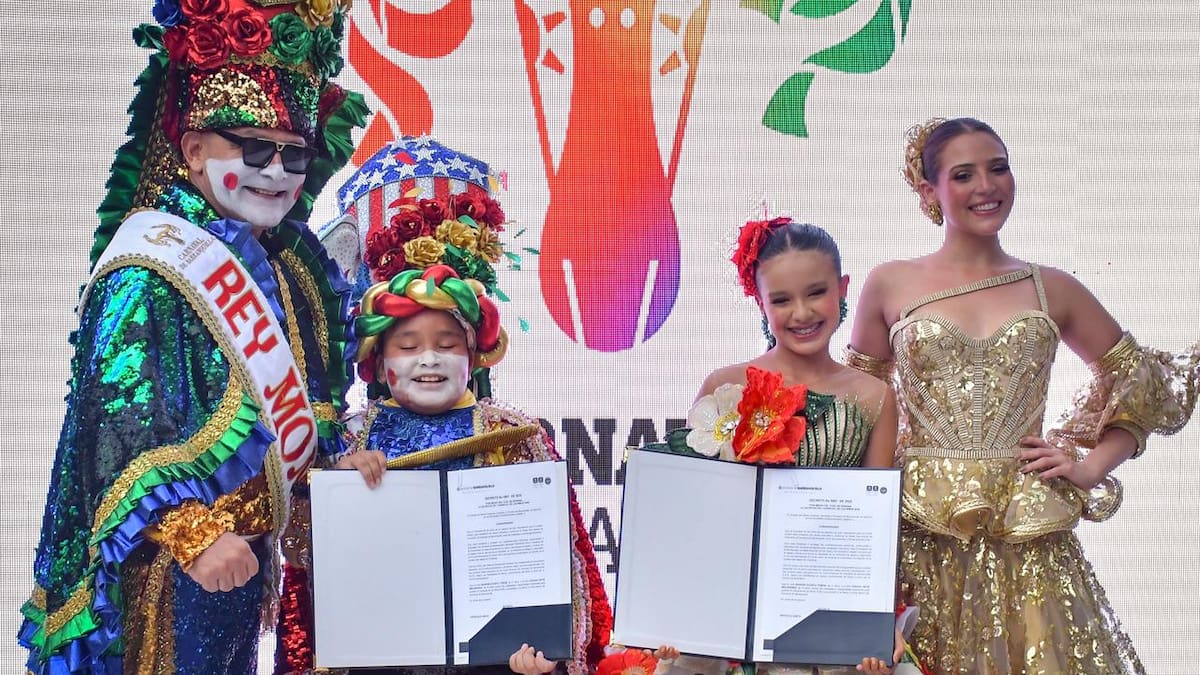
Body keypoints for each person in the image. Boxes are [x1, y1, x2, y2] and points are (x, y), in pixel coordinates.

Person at [17, 2, 367, 672]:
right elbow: (113, 429)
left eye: (294, 153)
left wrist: (334, 468)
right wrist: (192, 534)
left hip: (245, 569)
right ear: (194, 150)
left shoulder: (290, 267)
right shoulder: (148, 268)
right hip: (167, 571)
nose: (277, 171)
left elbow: (294, 421)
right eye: (253, 148)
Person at [846, 117, 1200, 674]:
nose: (986, 186)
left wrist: (1089, 466)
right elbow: (858, 410)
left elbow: (1143, 384)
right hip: (917, 537)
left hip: (1027, 538)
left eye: (999, 168)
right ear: (929, 190)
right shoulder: (889, 283)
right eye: (964, 174)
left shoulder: (1051, 287)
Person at [279, 141, 613, 675]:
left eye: (447, 343)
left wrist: (545, 656)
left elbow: (563, 566)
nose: (428, 359)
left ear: (474, 354)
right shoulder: (350, 438)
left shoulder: (513, 435)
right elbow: (301, 560)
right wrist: (335, 484)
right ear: (378, 360)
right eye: (408, 346)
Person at [655, 217, 918, 675]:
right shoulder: (726, 386)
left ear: (843, 288)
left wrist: (878, 619)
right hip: (734, 606)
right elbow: (693, 516)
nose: (801, 313)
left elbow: (875, 526)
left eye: (816, 293)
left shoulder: (874, 396)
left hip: (830, 607)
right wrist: (674, 608)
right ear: (760, 302)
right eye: (781, 300)